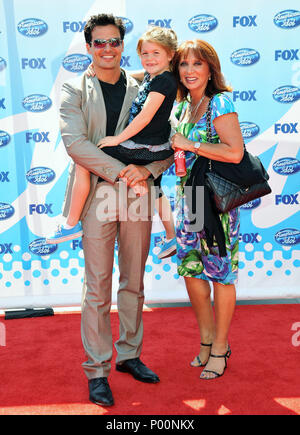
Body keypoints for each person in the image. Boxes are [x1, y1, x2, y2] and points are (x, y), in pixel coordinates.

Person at [58, 14, 174, 406]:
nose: (107, 49)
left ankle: (129, 355)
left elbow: (166, 141)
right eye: (99, 42)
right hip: (98, 195)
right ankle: (96, 368)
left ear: (123, 46)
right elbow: (76, 144)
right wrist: (121, 172)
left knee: (134, 282)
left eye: (114, 42)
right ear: (89, 46)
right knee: (97, 287)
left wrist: (146, 169)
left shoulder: (146, 84)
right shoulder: (73, 90)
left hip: (139, 192)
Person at [47, 26, 178, 260]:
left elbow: (145, 116)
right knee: (156, 189)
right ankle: (171, 235)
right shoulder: (157, 75)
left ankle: (72, 223)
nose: (149, 59)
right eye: (145, 54)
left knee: (86, 161)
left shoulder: (164, 82)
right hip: (152, 146)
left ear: (170, 55)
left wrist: (118, 138)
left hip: (143, 148)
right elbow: (134, 75)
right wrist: (98, 69)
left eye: (155, 54)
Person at [171, 39, 244, 380]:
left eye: (197, 64)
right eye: (183, 65)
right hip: (188, 201)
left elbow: (235, 153)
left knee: (221, 275)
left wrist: (192, 144)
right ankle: (205, 341)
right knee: (192, 271)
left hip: (215, 204)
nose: (189, 71)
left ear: (210, 69)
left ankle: (221, 347)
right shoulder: (184, 105)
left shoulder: (221, 102)